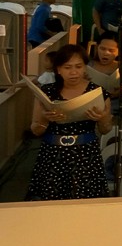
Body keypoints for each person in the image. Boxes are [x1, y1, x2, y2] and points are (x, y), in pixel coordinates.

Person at [27, 44, 112, 200]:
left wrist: (101, 118)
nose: (74, 72)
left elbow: (105, 129)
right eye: (67, 67)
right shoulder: (47, 92)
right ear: (58, 69)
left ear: (85, 67)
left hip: (86, 155)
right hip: (53, 155)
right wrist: (46, 119)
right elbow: (35, 129)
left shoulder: (97, 92)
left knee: (84, 200)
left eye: (78, 67)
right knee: (50, 201)